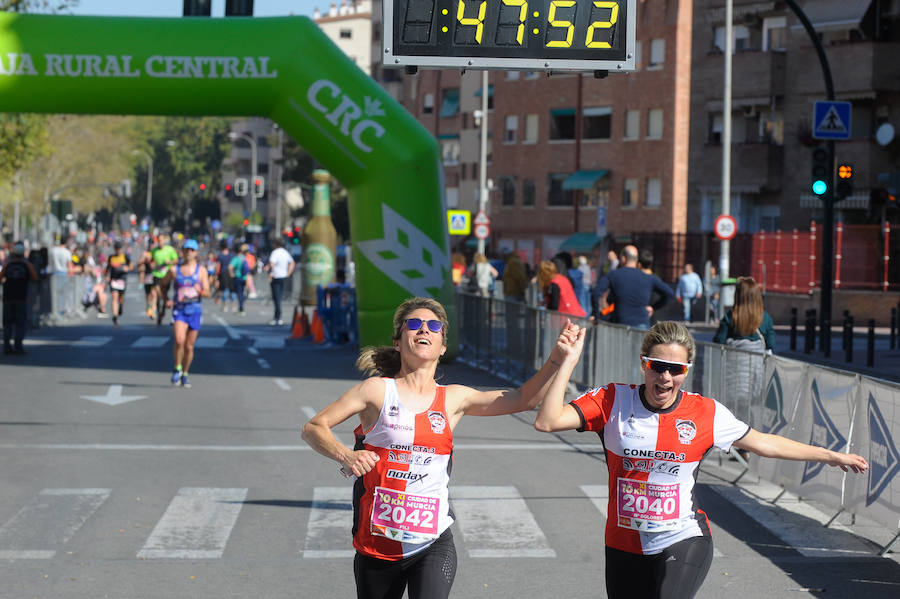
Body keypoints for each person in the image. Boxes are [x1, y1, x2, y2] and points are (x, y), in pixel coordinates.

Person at [533, 320, 868, 599]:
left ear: (687, 370)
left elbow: (763, 443)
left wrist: (828, 455)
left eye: (675, 370)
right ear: (643, 364)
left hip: (682, 536)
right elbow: (547, 421)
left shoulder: (705, 413)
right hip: (623, 542)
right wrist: (568, 361)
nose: (665, 377)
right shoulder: (612, 400)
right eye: (657, 367)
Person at [301, 297, 574, 599]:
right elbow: (314, 427)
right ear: (398, 340)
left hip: (432, 543)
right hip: (377, 545)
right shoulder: (376, 391)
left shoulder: (454, 399)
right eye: (414, 324)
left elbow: (525, 399)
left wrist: (558, 360)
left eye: (434, 326)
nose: (424, 330)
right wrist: (346, 455)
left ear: (442, 345)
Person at [164, 239, 210, 388]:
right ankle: (177, 368)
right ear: (182, 251)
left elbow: (208, 292)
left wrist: (200, 291)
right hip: (179, 309)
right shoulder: (174, 270)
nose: (189, 252)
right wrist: (166, 299)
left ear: (196, 253)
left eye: (192, 250)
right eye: (186, 249)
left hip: (195, 310)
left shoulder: (201, 271)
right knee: (179, 340)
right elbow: (162, 284)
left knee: (189, 347)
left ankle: (185, 373)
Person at [593, 245, 673, 329]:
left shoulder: (613, 275)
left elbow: (596, 293)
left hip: (620, 324)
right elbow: (669, 293)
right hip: (642, 323)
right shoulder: (649, 278)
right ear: (636, 260)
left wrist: (596, 317)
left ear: (623, 258)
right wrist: (654, 307)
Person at [712, 276, 775, 351]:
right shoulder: (765, 318)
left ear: (737, 296)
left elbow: (719, 340)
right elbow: (770, 344)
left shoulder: (730, 316)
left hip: (732, 361)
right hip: (757, 361)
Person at [1, 242, 39, 354]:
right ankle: (18, 346)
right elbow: (35, 277)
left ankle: (7, 346)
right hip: (20, 298)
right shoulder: (26, 264)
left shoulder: (8, 264)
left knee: (7, 323)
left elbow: (1, 276)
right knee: (20, 323)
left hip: (8, 298)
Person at [264, 237, 295, 326]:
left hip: (276, 276)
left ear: (275, 244)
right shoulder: (285, 253)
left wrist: (270, 273)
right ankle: (277, 317)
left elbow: (272, 264)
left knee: (276, 297)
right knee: (279, 297)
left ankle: (277, 317)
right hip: (283, 277)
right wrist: (288, 273)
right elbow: (292, 263)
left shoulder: (275, 253)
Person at [151, 235, 179, 325]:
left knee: (163, 294)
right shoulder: (154, 251)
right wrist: (153, 265)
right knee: (157, 292)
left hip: (166, 275)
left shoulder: (169, 249)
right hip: (157, 274)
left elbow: (176, 260)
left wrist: (169, 262)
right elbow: (151, 261)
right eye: (158, 240)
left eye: (161, 240)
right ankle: (158, 310)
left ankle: (162, 311)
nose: (160, 242)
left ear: (164, 241)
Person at [106, 241, 131, 326]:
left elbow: (131, 265)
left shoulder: (125, 257)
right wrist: (107, 276)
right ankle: (115, 316)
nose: (118, 251)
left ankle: (121, 306)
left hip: (122, 280)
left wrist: (127, 268)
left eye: (119, 249)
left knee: (120, 298)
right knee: (114, 297)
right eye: (117, 249)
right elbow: (108, 268)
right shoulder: (111, 257)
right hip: (114, 280)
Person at [49, 237, 73, 317]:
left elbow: (50, 263)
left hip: (54, 274)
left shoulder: (53, 251)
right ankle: (60, 310)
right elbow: (69, 266)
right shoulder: (67, 252)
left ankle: (55, 310)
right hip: (63, 274)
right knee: (63, 293)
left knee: (55, 293)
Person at [228, 244, 251, 315]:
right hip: (245, 278)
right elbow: (248, 270)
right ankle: (241, 306)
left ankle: (241, 308)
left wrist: (232, 274)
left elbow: (230, 267)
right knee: (245, 293)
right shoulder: (245, 258)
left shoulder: (236, 258)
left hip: (238, 278)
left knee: (240, 294)